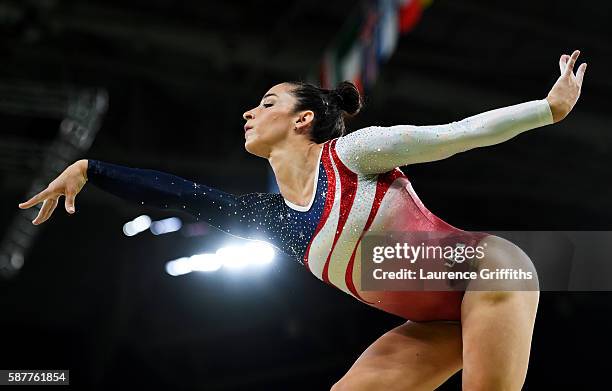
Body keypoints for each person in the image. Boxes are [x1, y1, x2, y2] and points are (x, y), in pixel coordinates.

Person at [18, 50, 586, 390]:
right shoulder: (276, 221)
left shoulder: (355, 155)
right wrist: (91, 167)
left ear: (303, 119)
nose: (249, 110)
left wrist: (549, 109)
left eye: (266, 102)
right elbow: (182, 195)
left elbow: (454, 136)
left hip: (488, 274)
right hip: (438, 321)